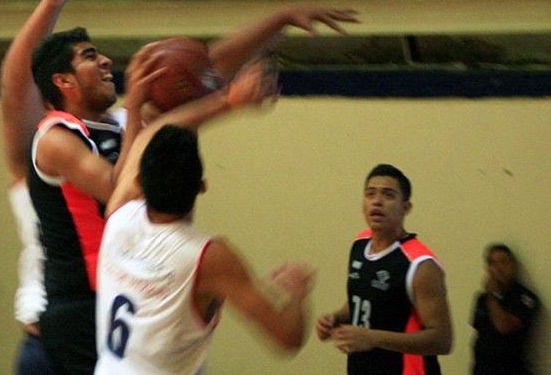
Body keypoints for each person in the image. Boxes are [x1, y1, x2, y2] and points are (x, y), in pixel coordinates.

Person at [29, 2, 358, 374]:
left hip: (130, 284)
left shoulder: (126, 152)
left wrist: (279, 19)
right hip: (82, 303)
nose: (106, 61)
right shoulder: (57, 136)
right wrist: (153, 103)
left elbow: (203, 71)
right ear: (64, 82)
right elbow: (116, 183)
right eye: (91, 57)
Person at [95, 65, 314, 374]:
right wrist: (297, 295)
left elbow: (150, 136)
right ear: (202, 187)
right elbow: (287, 338)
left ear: (139, 182)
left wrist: (229, 100)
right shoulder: (209, 257)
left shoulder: (118, 214)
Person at [0, 0, 87, 374]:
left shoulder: (116, 135)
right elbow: (15, 84)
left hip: (110, 334)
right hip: (50, 343)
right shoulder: (39, 148)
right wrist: (52, 4)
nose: (105, 66)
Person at [316, 164, 453, 374]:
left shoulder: (420, 264)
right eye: (370, 194)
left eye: (388, 195)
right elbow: (366, 298)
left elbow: (442, 340)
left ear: (405, 207)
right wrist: (335, 318)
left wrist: (371, 338)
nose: (377, 201)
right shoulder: (360, 244)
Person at [471, 242, 540, 375]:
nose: (498, 268)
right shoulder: (481, 299)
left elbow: (505, 327)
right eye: (492, 263)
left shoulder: (524, 297)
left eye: (503, 262)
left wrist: (491, 295)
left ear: (513, 265)